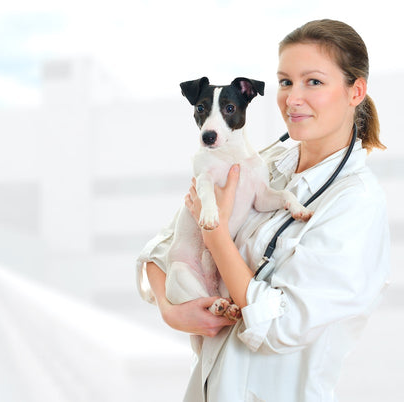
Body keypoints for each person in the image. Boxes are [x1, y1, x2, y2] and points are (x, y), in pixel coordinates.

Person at [136, 19, 390, 401]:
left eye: (314, 82)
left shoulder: (356, 203)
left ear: (355, 91)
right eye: (286, 82)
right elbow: (162, 246)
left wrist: (216, 236)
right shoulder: (263, 162)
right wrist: (172, 312)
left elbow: (278, 329)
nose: (293, 97)